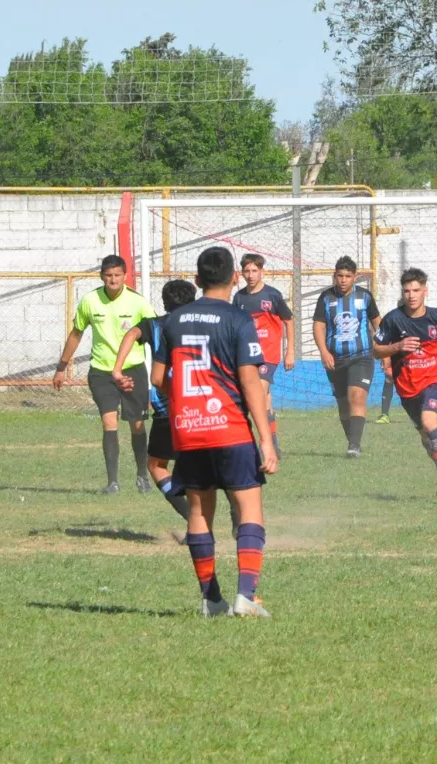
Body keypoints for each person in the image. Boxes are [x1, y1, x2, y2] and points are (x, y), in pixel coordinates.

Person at [153, 246, 278, 618]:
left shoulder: (174, 321)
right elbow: (250, 381)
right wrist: (266, 438)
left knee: (199, 511)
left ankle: (211, 599)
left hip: (190, 431)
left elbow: (159, 378)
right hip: (230, 429)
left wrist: (186, 401)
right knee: (249, 507)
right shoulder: (239, 320)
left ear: (196, 280)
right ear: (234, 278)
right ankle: (247, 596)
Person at [53, 255, 156, 494]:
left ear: (125, 276)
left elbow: (155, 334)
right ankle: (113, 482)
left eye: (117, 275)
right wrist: (61, 367)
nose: (113, 280)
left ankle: (142, 476)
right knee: (109, 423)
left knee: (137, 425)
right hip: (102, 371)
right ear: (101, 276)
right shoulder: (90, 301)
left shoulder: (138, 302)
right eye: (108, 275)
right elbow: (76, 333)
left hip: (133, 370)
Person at [373, 268, 437, 497]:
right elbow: (376, 350)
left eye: (416, 290)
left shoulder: (435, 316)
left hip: (435, 376)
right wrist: (397, 347)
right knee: (427, 438)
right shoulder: (393, 320)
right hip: (407, 387)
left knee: (429, 420)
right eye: (407, 291)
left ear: (425, 291)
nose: (411, 295)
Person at [111, 279, 198, 523]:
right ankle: (235, 512)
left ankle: (193, 520)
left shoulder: (157, 325)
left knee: (157, 466)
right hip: (205, 402)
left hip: (169, 406)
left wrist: (118, 369)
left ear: (164, 302)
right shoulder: (204, 324)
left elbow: (131, 333)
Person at [312, 256, 391, 457]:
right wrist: (323, 351)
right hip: (335, 360)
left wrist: (384, 352)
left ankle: (354, 447)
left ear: (354, 277)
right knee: (343, 404)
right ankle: (353, 442)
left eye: (348, 276)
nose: (343, 280)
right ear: (334, 276)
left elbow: (378, 323)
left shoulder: (364, 297)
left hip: (362, 356)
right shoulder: (326, 298)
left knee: (356, 397)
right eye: (340, 276)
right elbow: (319, 325)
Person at [232, 254, 294, 457]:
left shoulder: (273, 296)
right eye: (247, 271)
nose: (250, 275)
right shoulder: (239, 298)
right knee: (265, 400)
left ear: (262, 271)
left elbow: (289, 320)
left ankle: (262, 444)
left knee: (257, 393)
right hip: (247, 355)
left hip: (268, 354)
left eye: (254, 271)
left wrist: (290, 351)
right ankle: (273, 445)